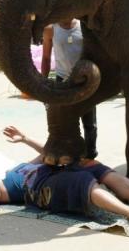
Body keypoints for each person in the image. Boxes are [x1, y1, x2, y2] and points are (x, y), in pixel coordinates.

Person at [0, 125, 129, 226]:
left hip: (59, 170)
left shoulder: (21, 166)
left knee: (95, 167)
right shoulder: (6, 183)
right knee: (80, 181)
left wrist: (25, 138)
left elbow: (47, 153)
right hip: (44, 189)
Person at [41, 18, 98, 159]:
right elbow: (46, 57)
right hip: (62, 81)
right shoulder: (50, 29)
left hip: (85, 80)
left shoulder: (83, 26)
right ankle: (72, 157)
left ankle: (90, 157)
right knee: (64, 122)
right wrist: (43, 83)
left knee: (90, 123)